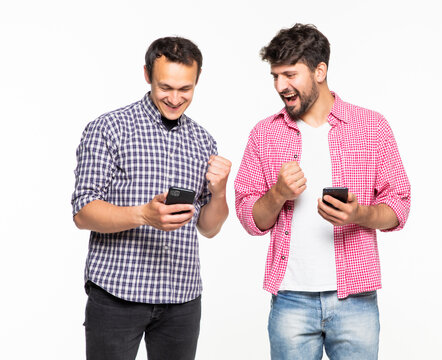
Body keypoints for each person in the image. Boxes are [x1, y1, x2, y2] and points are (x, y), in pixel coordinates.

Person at [234, 24, 411, 360]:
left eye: (289, 74)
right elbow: (249, 218)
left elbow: (399, 206)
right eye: (275, 76)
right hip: (290, 300)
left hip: (355, 299)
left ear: (319, 71)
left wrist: (360, 214)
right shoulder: (264, 134)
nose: (280, 86)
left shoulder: (371, 127)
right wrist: (277, 193)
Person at [72, 36, 231, 360]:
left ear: (197, 81)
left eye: (185, 89)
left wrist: (220, 191)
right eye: (165, 87)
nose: (175, 98)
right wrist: (143, 215)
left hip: (182, 298)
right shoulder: (109, 128)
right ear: (147, 75)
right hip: (117, 295)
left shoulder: (203, 141)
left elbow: (209, 228)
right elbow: (83, 211)